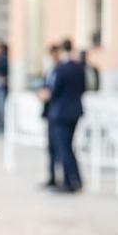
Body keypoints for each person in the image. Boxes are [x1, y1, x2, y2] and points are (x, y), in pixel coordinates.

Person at [43, 39, 85, 192]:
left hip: (60, 114)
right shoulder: (79, 67)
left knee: (63, 148)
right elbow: (83, 88)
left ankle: (69, 181)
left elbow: (53, 91)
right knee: (68, 147)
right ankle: (76, 179)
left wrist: (45, 95)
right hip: (74, 112)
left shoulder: (60, 69)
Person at [38, 44, 61, 187]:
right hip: (50, 113)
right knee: (51, 147)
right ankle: (52, 176)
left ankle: (63, 177)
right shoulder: (50, 71)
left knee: (61, 147)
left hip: (60, 114)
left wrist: (50, 94)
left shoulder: (63, 70)